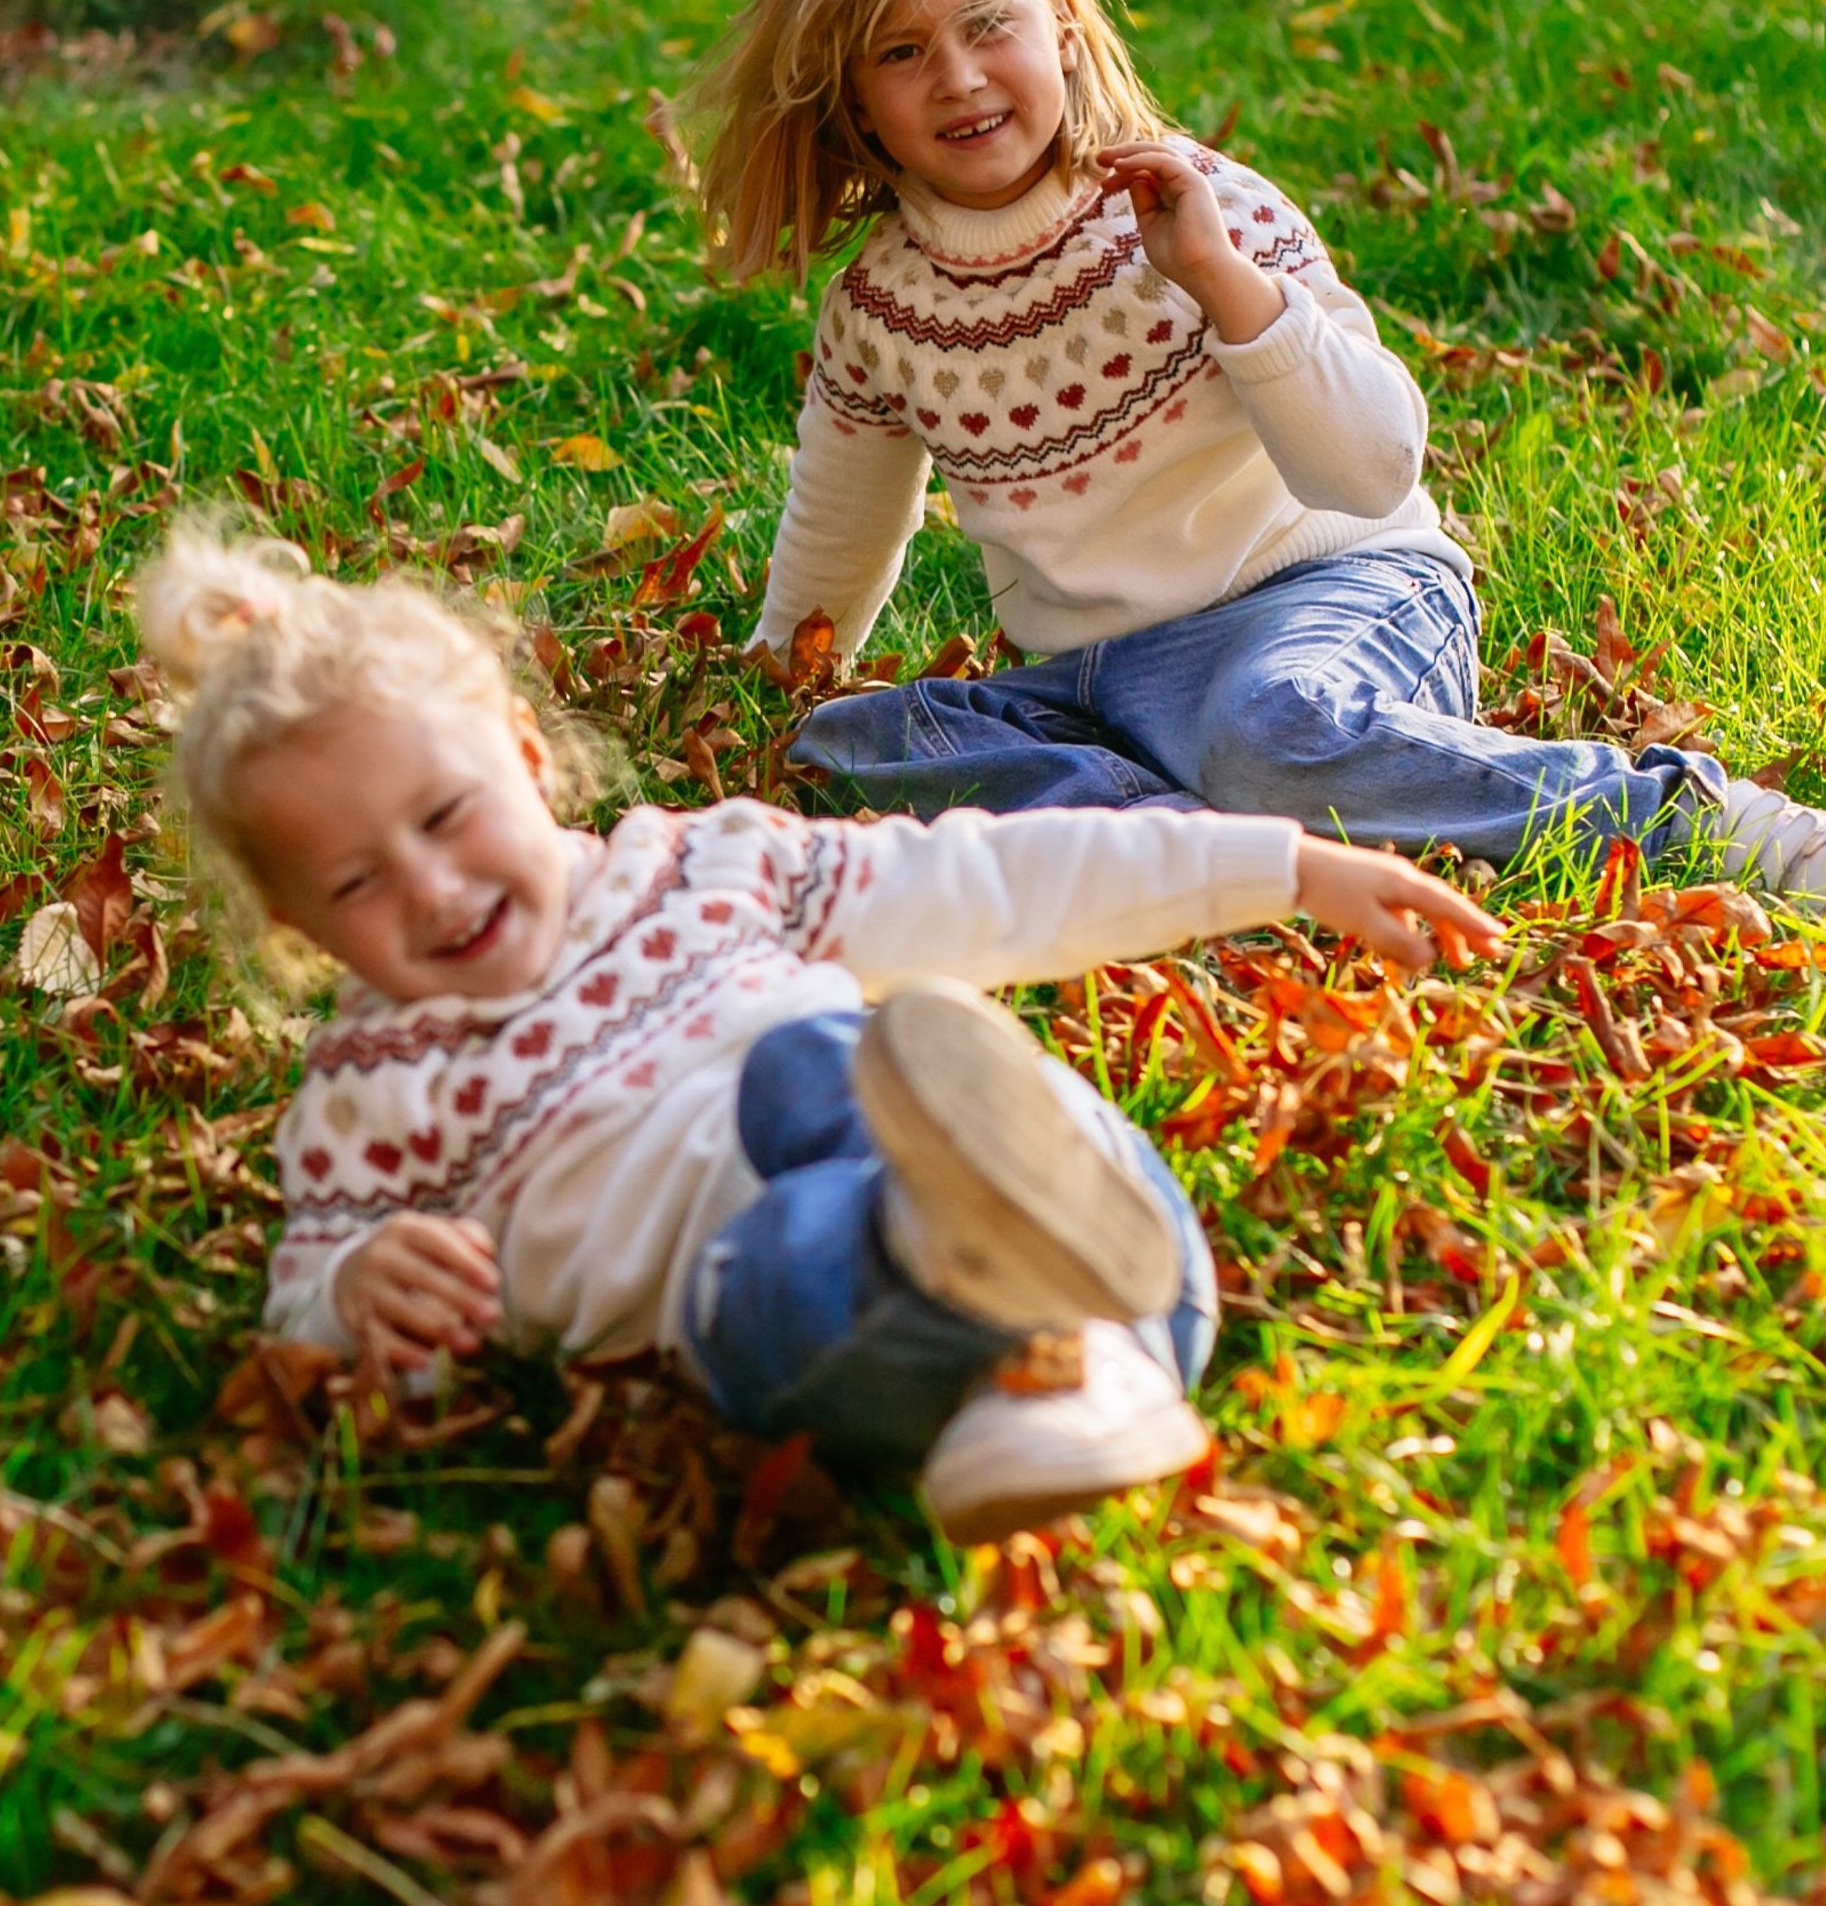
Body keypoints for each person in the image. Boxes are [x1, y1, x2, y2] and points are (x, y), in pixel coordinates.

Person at [137, 521, 1494, 1544]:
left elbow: (992, 883)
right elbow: (307, 1289)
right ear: (298, 922)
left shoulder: (712, 870)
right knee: (774, 1231)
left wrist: (1282, 868)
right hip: (804, 1334)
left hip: (1130, 1263)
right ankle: (1013, 1352)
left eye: (443, 818)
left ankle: (1054, 1322)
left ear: (525, 752)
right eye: (356, 886)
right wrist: (360, 1287)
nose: (430, 890)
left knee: (841, 1066)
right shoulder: (373, 1088)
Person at [697, 0, 1826, 904]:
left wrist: (1223, 283)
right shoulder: (883, 308)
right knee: (856, 744)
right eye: (900, 53)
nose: (956, 75)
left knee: (1271, 729)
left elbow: (1372, 469)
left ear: (1057, 22)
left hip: (1331, 602)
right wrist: (782, 669)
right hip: (1100, 687)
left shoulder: (1200, 211)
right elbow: (843, 521)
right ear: (851, 100)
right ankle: (1191, 838)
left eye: (985, 23)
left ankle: (1686, 819)